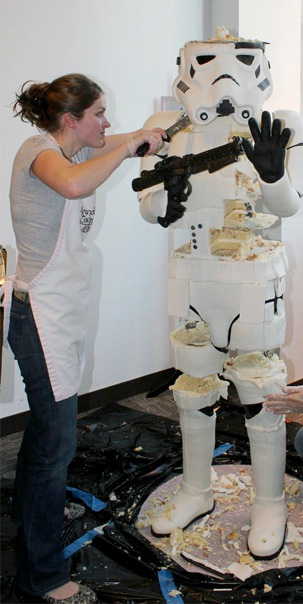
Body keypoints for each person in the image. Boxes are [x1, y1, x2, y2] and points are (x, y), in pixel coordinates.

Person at [137, 29, 303, 559]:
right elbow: (147, 203)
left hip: (254, 279)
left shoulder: (282, 126)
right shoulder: (167, 128)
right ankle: (196, 489)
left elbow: (289, 205)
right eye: (209, 60)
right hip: (193, 272)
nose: (224, 72)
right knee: (193, 389)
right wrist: (164, 199)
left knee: (261, 391)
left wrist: (274, 174)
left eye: (239, 60)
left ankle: (269, 500)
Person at [0, 73, 165, 604]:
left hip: (60, 314)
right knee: (57, 444)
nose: (107, 123)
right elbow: (75, 185)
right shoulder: (40, 151)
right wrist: (126, 147)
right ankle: (43, 577)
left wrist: (146, 136)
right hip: (40, 315)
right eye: (98, 113)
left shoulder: (70, 150)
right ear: (71, 121)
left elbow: (116, 143)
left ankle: (29, 510)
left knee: (48, 435)